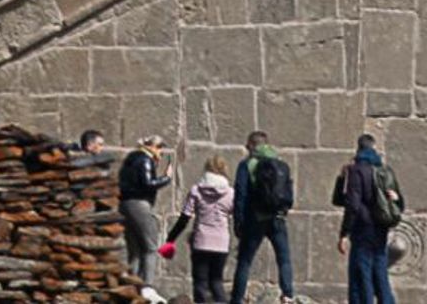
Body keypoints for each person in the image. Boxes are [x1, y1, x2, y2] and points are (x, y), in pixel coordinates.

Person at [336, 133, 404, 304]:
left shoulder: (356, 170)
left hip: (362, 230)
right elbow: (399, 203)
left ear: (358, 148)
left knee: (361, 275)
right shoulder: (384, 170)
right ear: (373, 148)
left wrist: (344, 233)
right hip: (381, 228)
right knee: (380, 272)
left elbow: (350, 204)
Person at [230, 129, 295, 304]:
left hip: (255, 219)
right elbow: (289, 193)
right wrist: (282, 211)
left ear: (251, 146)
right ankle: (288, 295)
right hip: (277, 218)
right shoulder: (281, 164)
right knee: (284, 259)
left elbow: (241, 194)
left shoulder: (247, 165)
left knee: (245, 261)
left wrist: (238, 222)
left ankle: (237, 299)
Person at [163, 153, 235, 302]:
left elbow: (184, 218)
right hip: (221, 243)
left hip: (201, 241)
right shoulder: (230, 193)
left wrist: (170, 238)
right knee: (216, 281)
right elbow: (238, 215)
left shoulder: (196, 190)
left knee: (200, 282)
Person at [118, 134, 172, 293]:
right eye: (161, 148)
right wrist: (166, 178)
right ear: (154, 147)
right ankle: (147, 286)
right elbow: (148, 183)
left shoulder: (131, 158)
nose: (161, 152)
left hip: (125, 203)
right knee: (150, 246)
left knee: (134, 248)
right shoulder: (145, 160)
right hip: (139, 204)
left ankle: (131, 283)